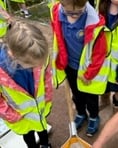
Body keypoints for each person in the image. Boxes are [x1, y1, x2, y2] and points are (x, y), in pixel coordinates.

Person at [50, 0, 108, 136]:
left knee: (91, 97)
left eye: (78, 12)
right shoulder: (56, 13)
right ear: (62, 5)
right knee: (76, 94)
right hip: (69, 66)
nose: (74, 16)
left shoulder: (95, 24)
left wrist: (89, 74)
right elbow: (57, 36)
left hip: (87, 71)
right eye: (70, 12)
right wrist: (60, 60)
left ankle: (94, 117)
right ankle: (81, 114)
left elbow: (100, 53)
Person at [0, 20, 52, 148]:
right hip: (19, 116)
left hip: (39, 109)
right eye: (31, 65)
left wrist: (47, 97)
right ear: (13, 55)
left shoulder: (37, 55)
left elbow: (47, 77)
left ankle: (45, 145)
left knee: (42, 127)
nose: (37, 66)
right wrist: (11, 115)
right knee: (28, 134)